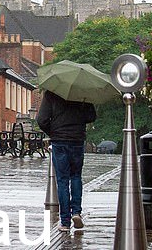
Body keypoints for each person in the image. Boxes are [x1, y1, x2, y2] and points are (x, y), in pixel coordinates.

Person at [36, 90, 96, 232]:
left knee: (62, 180)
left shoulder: (52, 93)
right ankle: (76, 212)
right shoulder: (82, 92)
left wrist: (53, 132)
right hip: (77, 140)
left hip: (59, 141)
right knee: (76, 177)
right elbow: (92, 116)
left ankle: (65, 221)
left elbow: (41, 119)